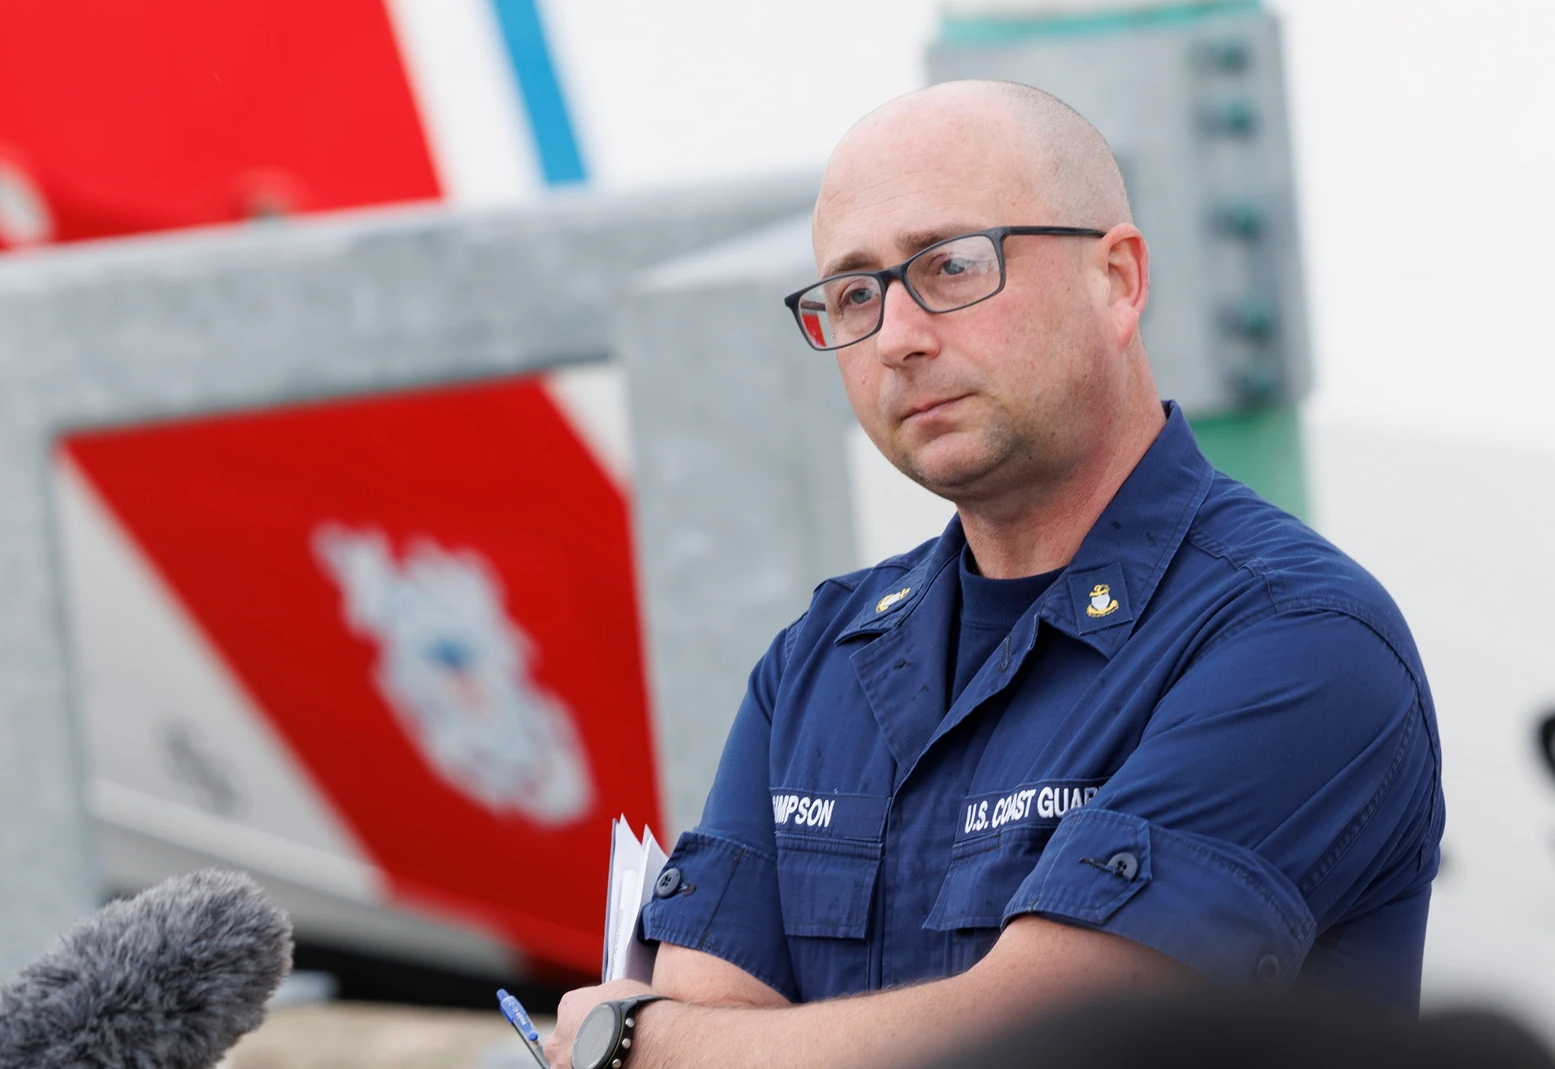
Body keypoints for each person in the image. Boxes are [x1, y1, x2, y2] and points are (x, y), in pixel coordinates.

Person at [544, 80, 1443, 1069]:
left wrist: (638, 1039)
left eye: (952, 265)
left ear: (1117, 280)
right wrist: (676, 1039)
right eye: (853, 293)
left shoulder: (1297, 639)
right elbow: (704, 1017)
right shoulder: (820, 662)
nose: (897, 338)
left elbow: (1045, 1045)